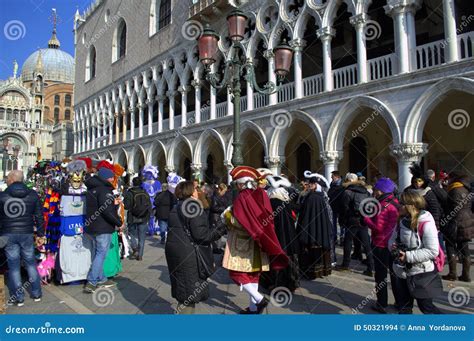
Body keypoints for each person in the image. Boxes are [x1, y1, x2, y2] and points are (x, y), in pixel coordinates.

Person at [223, 166, 288, 314]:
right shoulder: (261, 194)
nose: (237, 186)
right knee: (253, 275)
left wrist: (227, 216)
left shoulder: (242, 197)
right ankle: (253, 308)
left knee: (236, 273)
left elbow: (240, 222)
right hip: (259, 241)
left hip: (242, 243)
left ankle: (259, 299)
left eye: (237, 183)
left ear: (242, 183)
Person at [165, 181, 226, 314]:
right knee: (189, 290)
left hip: (175, 251)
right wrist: (221, 229)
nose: (198, 192)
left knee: (183, 286)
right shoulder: (193, 207)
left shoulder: (176, 207)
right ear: (192, 192)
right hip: (188, 253)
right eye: (196, 189)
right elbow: (202, 236)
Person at [389, 191, 442, 314]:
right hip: (402, 272)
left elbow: (432, 250)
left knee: (427, 308)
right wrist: (393, 247)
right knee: (404, 308)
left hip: (422, 273)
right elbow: (392, 239)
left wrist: (408, 256)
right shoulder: (401, 220)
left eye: (401, 203)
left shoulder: (426, 222)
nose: (398, 206)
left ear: (410, 206)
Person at [0, 170, 44, 306]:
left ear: (12, 179)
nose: (6, 180)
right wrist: (41, 234)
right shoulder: (33, 195)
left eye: (7, 178)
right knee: (30, 262)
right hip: (26, 233)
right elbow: (39, 216)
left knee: (13, 266)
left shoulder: (2, 196)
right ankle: (36, 293)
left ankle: (19, 298)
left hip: (8, 233)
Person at [363, 178, 399, 313]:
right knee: (396, 275)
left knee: (381, 275)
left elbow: (378, 227)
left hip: (381, 244)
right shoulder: (395, 202)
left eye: (376, 189)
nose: (374, 192)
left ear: (381, 190)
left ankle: (382, 303)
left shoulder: (383, 205)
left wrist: (366, 219)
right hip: (394, 244)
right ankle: (400, 302)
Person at [84, 166, 122, 293]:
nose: (113, 180)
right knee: (101, 254)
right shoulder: (104, 190)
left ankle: (102, 278)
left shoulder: (91, 189)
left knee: (97, 252)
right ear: (107, 178)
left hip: (92, 226)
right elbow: (107, 211)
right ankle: (92, 281)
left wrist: (113, 203)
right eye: (112, 178)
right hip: (102, 227)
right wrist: (119, 222)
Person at [260, 175, 300, 293]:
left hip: (277, 236)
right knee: (289, 259)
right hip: (288, 236)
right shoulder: (284, 199)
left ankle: (277, 284)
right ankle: (290, 284)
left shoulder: (273, 201)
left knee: (277, 260)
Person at [336, 173, 374, 276]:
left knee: (348, 241)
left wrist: (343, 220)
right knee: (366, 243)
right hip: (363, 219)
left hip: (352, 219)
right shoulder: (365, 191)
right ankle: (371, 267)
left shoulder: (347, 192)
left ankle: (345, 264)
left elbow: (344, 208)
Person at [297, 172, 333, 279]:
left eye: (311, 184)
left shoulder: (311, 197)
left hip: (311, 229)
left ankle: (310, 273)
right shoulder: (320, 197)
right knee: (319, 250)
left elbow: (305, 214)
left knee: (310, 251)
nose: (308, 186)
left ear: (315, 185)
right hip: (319, 230)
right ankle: (320, 272)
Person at [442, 173, 474, 282]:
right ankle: (466, 275)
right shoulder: (466, 189)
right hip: (467, 221)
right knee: (465, 248)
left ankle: (452, 273)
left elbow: (448, 206)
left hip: (455, 222)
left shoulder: (454, 190)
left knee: (450, 246)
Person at [124, 177, 152, 261]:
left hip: (132, 217)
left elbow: (126, 206)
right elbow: (149, 205)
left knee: (131, 234)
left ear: (133, 183)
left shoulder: (129, 193)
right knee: (142, 237)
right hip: (143, 217)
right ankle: (140, 255)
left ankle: (135, 249)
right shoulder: (144, 192)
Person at [209, 183, 232, 253]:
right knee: (216, 231)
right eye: (223, 191)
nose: (224, 193)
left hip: (219, 216)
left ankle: (218, 247)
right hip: (215, 217)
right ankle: (215, 247)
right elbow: (214, 207)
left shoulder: (221, 196)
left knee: (219, 231)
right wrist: (224, 208)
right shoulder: (215, 197)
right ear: (220, 190)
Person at [328, 170, 344, 251]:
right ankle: (334, 238)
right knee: (333, 223)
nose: (331, 177)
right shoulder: (332, 184)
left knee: (342, 224)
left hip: (340, 207)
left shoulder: (343, 184)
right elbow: (329, 193)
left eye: (332, 176)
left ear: (337, 177)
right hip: (333, 206)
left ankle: (342, 239)